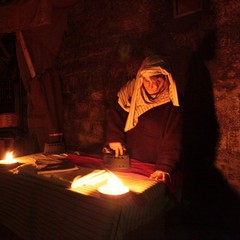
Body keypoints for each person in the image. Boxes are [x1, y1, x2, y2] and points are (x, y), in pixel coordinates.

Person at [105, 55, 182, 183]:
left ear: (166, 78)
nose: (150, 85)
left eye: (156, 80)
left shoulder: (173, 101)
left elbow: (173, 137)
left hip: (154, 165)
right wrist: (115, 138)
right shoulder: (131, 92)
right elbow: (115, 114)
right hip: (128, 161)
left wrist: (164, 166)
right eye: (146, 80)